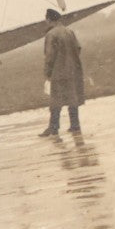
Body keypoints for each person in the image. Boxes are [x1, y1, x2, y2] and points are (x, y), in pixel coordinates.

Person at [39, 8, 85, 136]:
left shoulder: (51, 34)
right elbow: (78, 48)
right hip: (72, 71)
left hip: (58, 72)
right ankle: (75, 125)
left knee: (55, 100)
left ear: (49, 19)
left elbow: (49, 55)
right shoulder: (69, 31)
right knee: (72, 98)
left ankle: (53, 127)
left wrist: (48, 72)